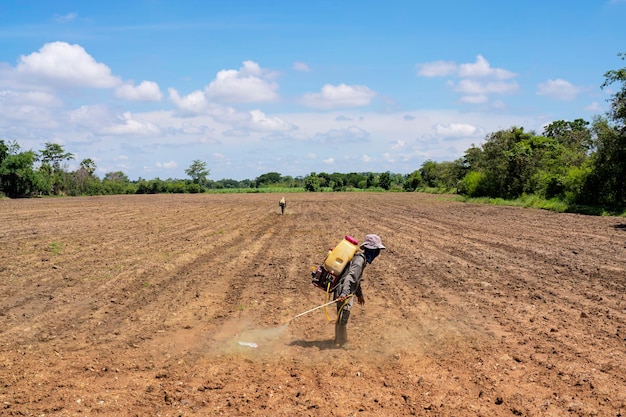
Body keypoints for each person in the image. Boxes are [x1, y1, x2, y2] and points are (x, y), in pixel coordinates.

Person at [333, 234, 385, 347]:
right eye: (377, 250)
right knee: (344, 315)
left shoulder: (361, 259)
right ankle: (342, 342)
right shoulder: (359, 261)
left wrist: (359, 294)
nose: (377, 253)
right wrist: (344, 293)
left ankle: (339, 339)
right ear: (371, 250)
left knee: (340, 315)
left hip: (344, 290)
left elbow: (357, 279)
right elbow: (350, 277)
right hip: (344, 291)